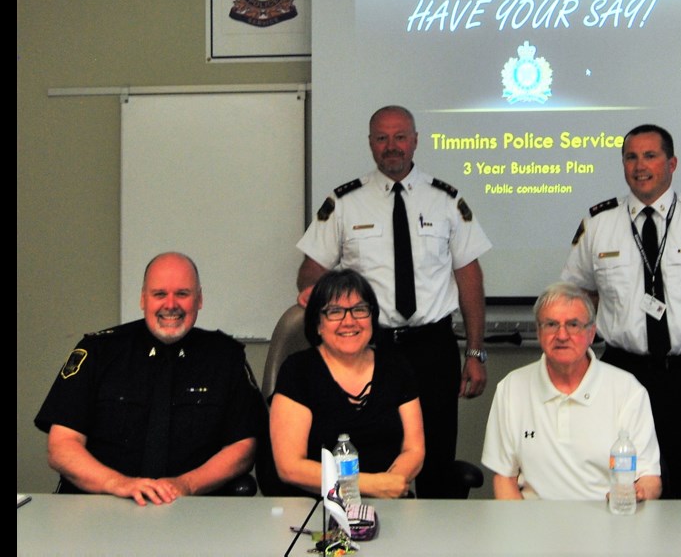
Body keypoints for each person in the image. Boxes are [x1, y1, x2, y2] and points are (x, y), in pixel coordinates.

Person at [295, 105, 492, 498]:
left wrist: (475, 351)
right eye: (382, 138)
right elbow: (309, 273)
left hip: (432, 347)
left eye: (400, 136)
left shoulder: (446, 200)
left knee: (436, 456)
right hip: (370, 349)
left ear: (416, 140)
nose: (392, 146)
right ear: (370, 143)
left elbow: (469, 278)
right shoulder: (344, 202)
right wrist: (319, 304)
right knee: (370, 451)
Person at [561, 123, 681, 499]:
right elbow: (581, 293)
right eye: (631, 157)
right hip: (624, 370)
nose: (640, 166)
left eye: (650, 156)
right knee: (625, 476)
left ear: (672, 163)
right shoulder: (598, 223)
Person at [34, 252, 267, 506]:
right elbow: (62, 446)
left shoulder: (225, 357)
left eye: (182, 294)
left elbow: (243, 447)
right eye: (159, 294)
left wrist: (186, 485)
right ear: (143, 299)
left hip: (195, 511)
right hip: (102, 506)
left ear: (199, 299)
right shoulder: (98, 352)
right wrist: (118, 484)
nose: (170, 305)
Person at [482, 282, 661, 501]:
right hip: (533, 525)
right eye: (551, 324)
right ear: (538, 332)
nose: (562, 335)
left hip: (607, 523)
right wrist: (521, 530)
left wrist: (638, 493)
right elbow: (504, 478)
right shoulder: (511, 388)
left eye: (573, 325)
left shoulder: (627, 390)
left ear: (591, 333)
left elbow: (649, 479)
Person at [270, 269, 424, 498]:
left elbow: (414, 448)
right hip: (316, 509)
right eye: (335, 312)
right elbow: (290, 467)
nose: (349, 321)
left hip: (389, 503)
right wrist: (369, 485)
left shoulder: (396, 367)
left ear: (372, 317)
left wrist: (391, 485)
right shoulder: (297, 371)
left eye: (359, 310)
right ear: (318, 324)